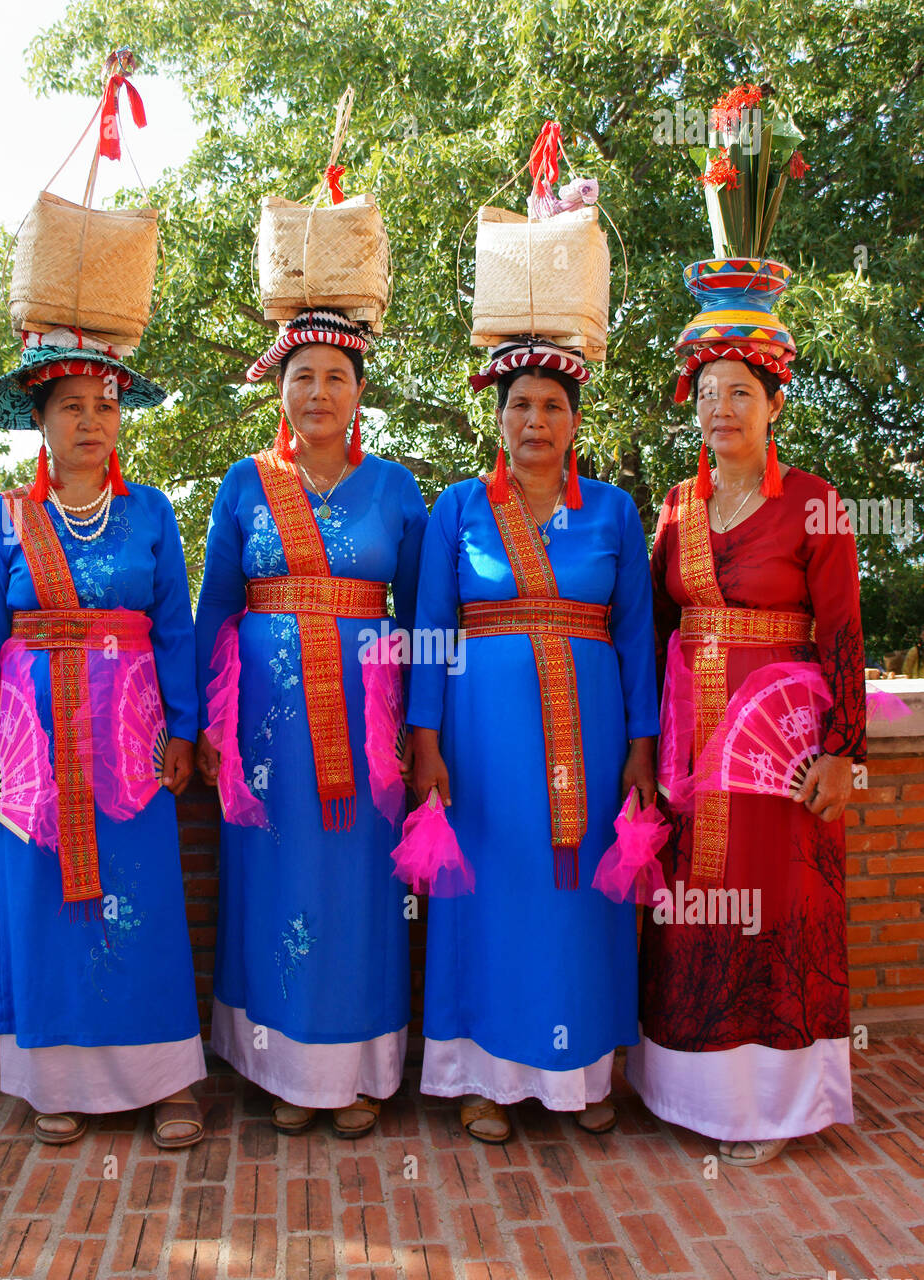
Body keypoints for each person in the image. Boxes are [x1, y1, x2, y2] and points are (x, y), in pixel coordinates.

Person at [405, 339, 659, 1143]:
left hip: (589, 742)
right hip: (481, 749)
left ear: (575, 422)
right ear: (498, 417)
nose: (535, 419)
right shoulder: (458, 508)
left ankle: (580, 1073)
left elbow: (637, 636)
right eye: (520, 404)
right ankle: (484, 1081)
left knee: (580, 900)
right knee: (489, 897)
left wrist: (642, 746)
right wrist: (424, 739)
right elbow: (429, 631)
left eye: (552, 406)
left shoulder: (613, 511)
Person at [0, 334, 205, 1148]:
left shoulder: (152, 512)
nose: (92, 421)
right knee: (46, 909)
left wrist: (184, 726)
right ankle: (52, 1082)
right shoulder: (5, 519)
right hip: (32, 752)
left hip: (130, 746)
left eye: (105, 405)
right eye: (72, 406)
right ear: (40, 420)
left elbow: (175, 627)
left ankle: (166, 1081)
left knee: (142, 906)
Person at [626, 348, 867, 1166]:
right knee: (690, 910)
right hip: (691, 750)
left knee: (775, 908)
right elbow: (654, 631)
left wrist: (841, 751)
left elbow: (839, 630)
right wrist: (644, 747)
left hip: (784, 751)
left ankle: (771, 1109)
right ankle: (684, 1092)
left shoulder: (816, 504)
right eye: (705, 395)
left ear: (772, 407)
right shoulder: (674, 508)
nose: (720, 408)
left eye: (739, 394)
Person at [194, 309, 428, 1137]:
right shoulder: (242, 483)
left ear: (360, 392)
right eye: (303, 377)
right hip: (264, 730)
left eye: (336, 376)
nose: (319, 392)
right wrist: (199, 719)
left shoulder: (396, 488)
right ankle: (281, 1069)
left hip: (369, 729)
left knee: (363, 885)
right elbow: (217, 602)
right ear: (280, 392)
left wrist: (423, 722)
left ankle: (355, 1070)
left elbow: (424, 614)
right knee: (274, 875)